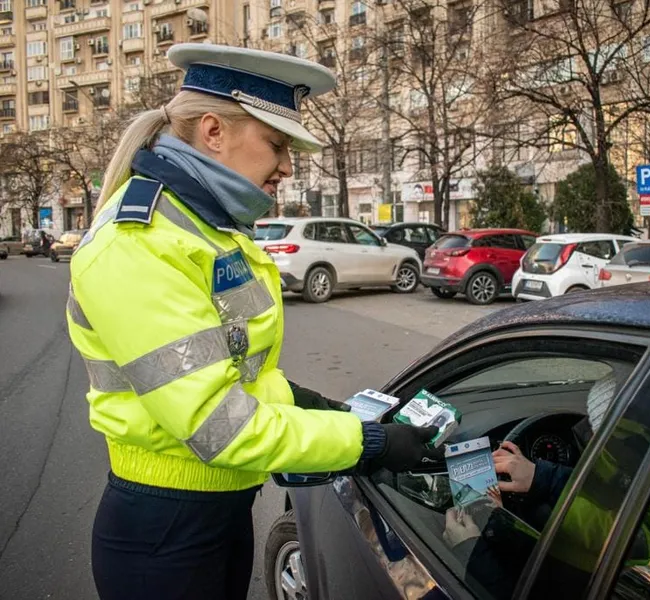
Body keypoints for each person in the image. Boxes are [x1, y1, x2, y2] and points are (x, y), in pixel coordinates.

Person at [65, 43, 440, 600]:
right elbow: (222, 426)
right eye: (276, 145)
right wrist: (369, 441)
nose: (287, 166)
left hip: (219, 513)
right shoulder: (136, 245)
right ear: (213, 131)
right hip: (165, 532)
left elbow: (234, 367)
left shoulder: (207, 229)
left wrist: (308, 402)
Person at [442, 363, 650, 597]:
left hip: (583, 573)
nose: (594, 437)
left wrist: (471, 549)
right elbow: (611, 488)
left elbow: (627, 535)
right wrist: (540, 477)